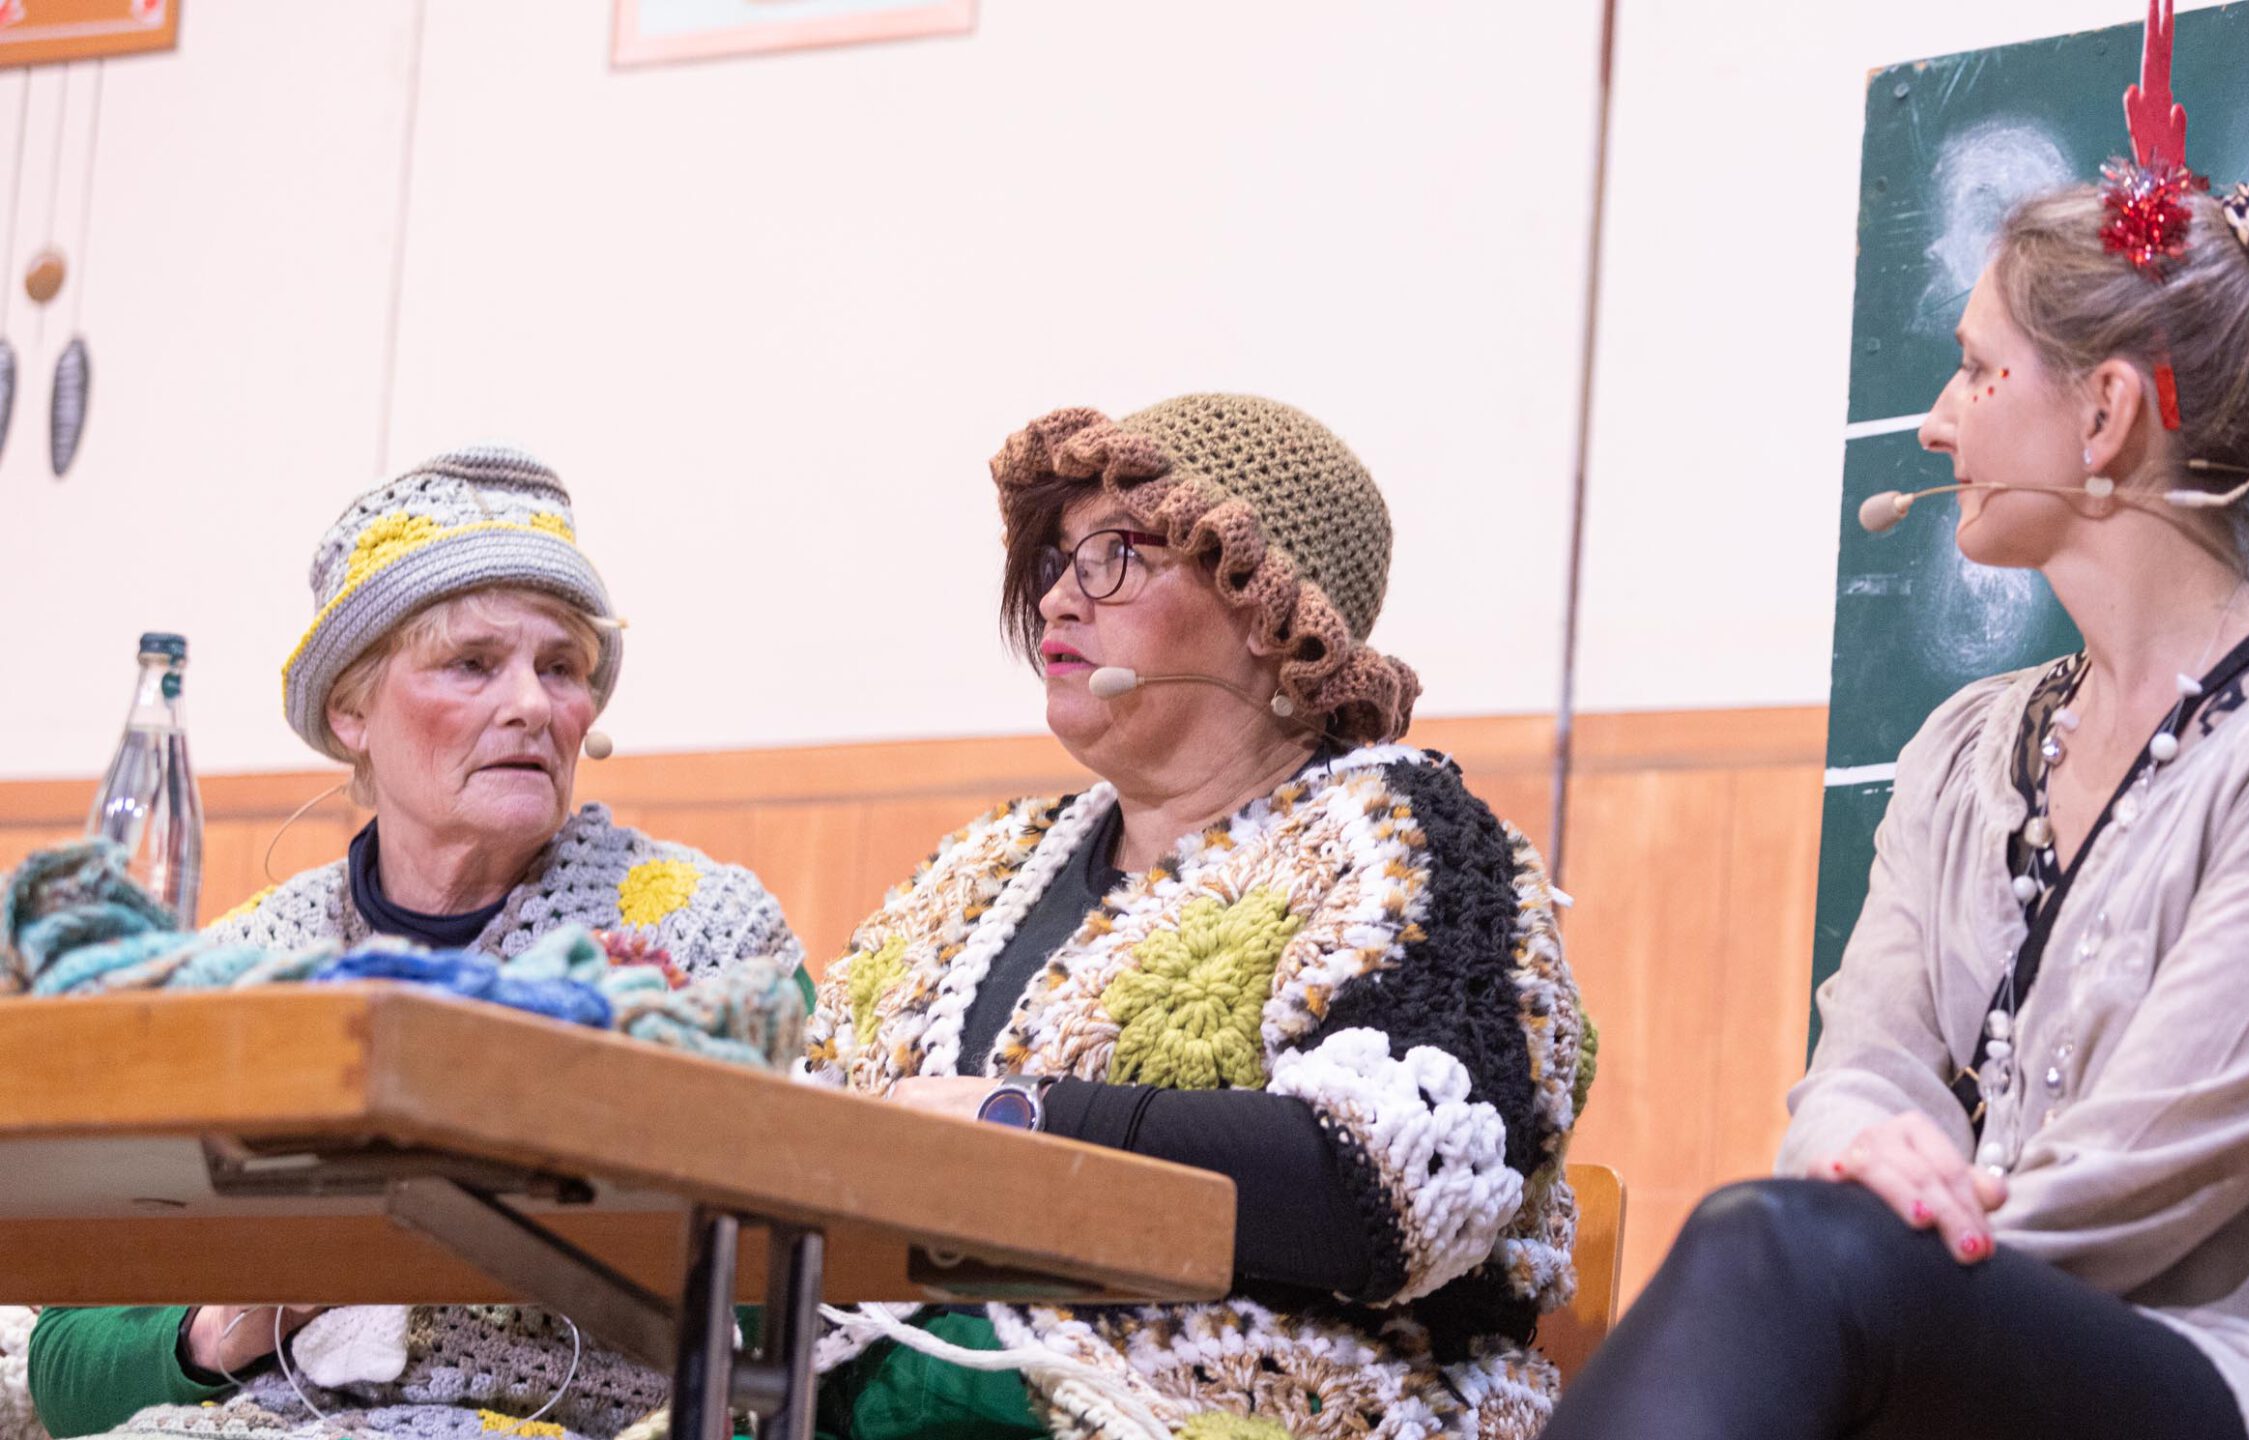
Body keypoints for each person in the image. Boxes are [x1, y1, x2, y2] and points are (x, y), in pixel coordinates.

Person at [1542, 120, 2249, 1440]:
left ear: (2104, 414)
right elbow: (1861, 1070)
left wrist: (1870, 1250)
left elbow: (2139, 1179)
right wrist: (1858, 1165)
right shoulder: (1962, 749)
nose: (1937, 423)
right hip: (1964, 1356)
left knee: (1779, 1250)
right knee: (1793, 1248)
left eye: (1979, 371)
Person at [796, 394, 1590, 1439]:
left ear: (1271, 613)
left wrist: (1021, 1124)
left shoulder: (1409, 840)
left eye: (1114, 556)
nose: (1056, 601)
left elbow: (1400, 1178)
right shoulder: (980, 867)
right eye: (1055, 561)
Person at [24, 446, 804, 1440]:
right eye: (472, 664)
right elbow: (62, 1365)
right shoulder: (245, 970)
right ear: (350, 712)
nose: (533, 705)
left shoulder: (711, 946)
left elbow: (808, 1318)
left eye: (560, 668)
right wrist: (221, 1330)